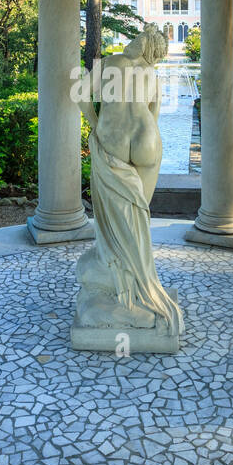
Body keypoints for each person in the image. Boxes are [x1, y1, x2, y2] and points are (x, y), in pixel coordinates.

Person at [74, 24, 184, 338]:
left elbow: (81, 96)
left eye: (137, 38)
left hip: (113, 138)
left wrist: (96, 125)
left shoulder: (111, 63)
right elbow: (154, 113)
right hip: (147, 138)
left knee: (122, 217)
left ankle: (122, 278)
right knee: (138, 214)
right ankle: (138, 285)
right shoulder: (152, 76)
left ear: (138, 44)